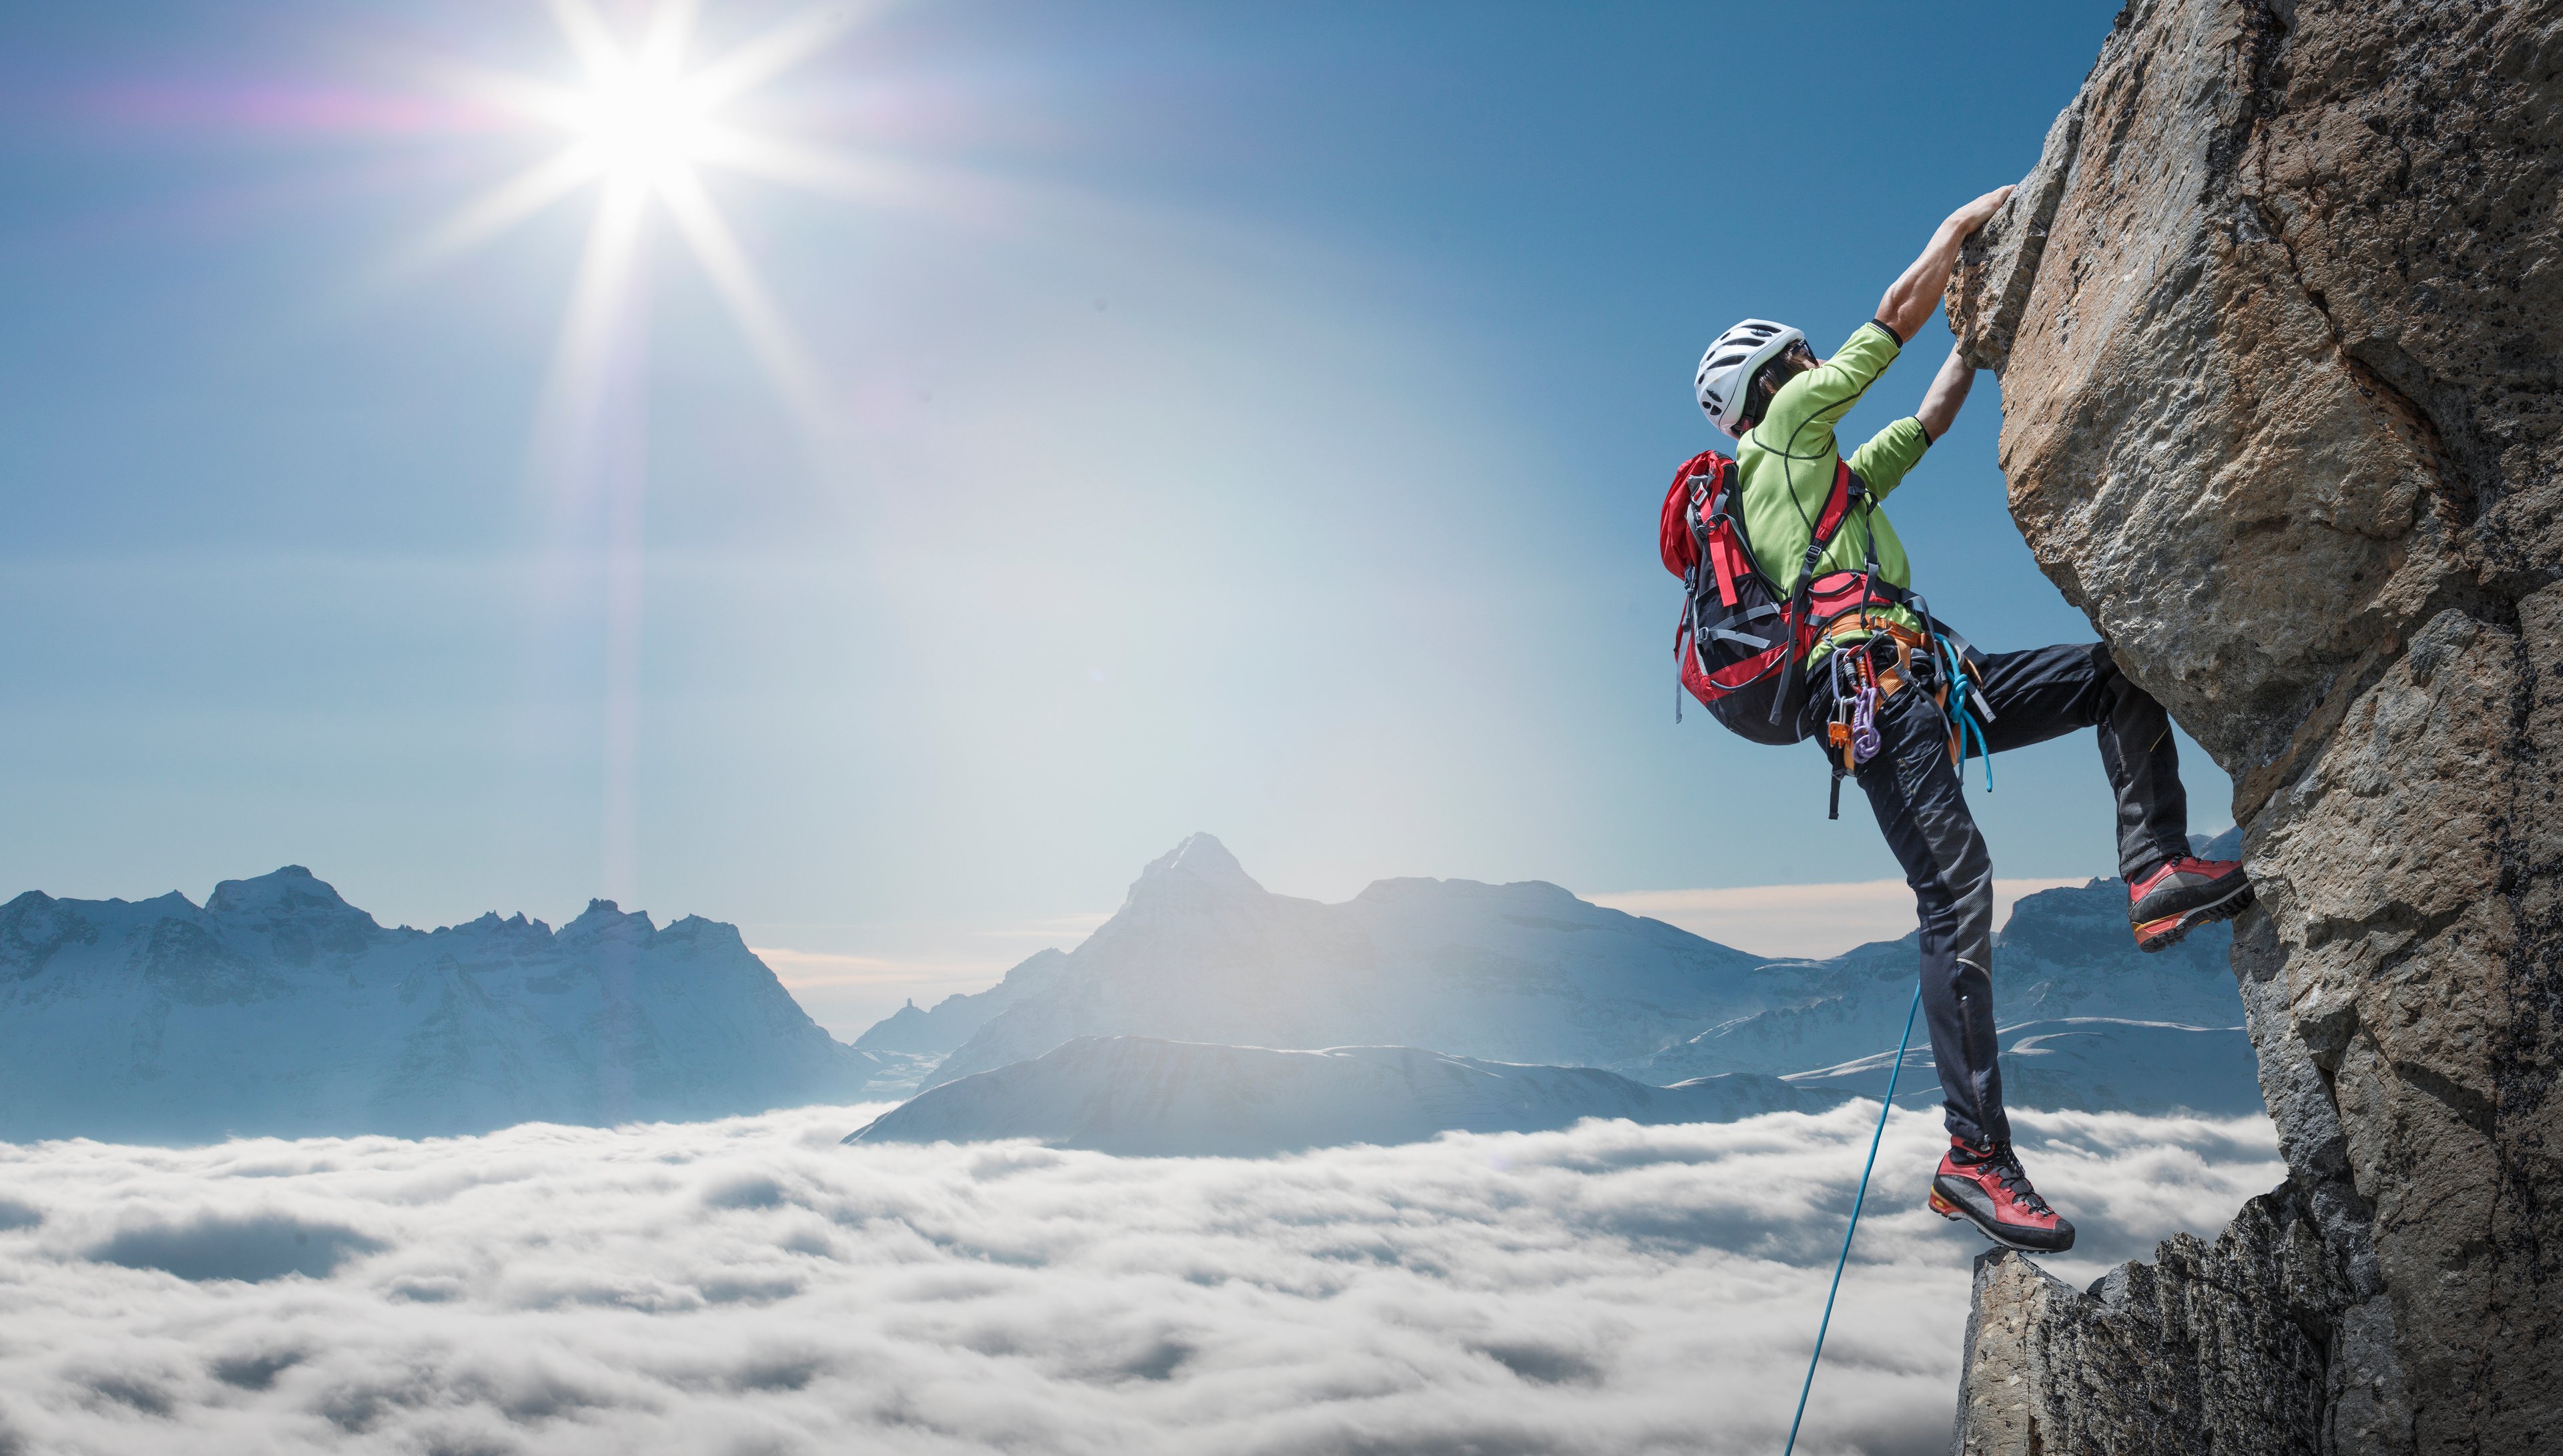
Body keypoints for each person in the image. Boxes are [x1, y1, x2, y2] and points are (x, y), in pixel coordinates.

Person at [1689, 188, 2252, 1254]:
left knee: (2111, 677)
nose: (1819, 370)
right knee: (1956, 892)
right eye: (1801, 360)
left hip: (1926, 683)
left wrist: (1983, 340)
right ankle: (1974, 1156)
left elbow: (1929, 416)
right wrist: (1956, 234)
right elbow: (1891, 326)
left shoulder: (1831, 483)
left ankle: (2157, 867)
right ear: (1770, 383)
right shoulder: (1781, 441)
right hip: (1883, 696)